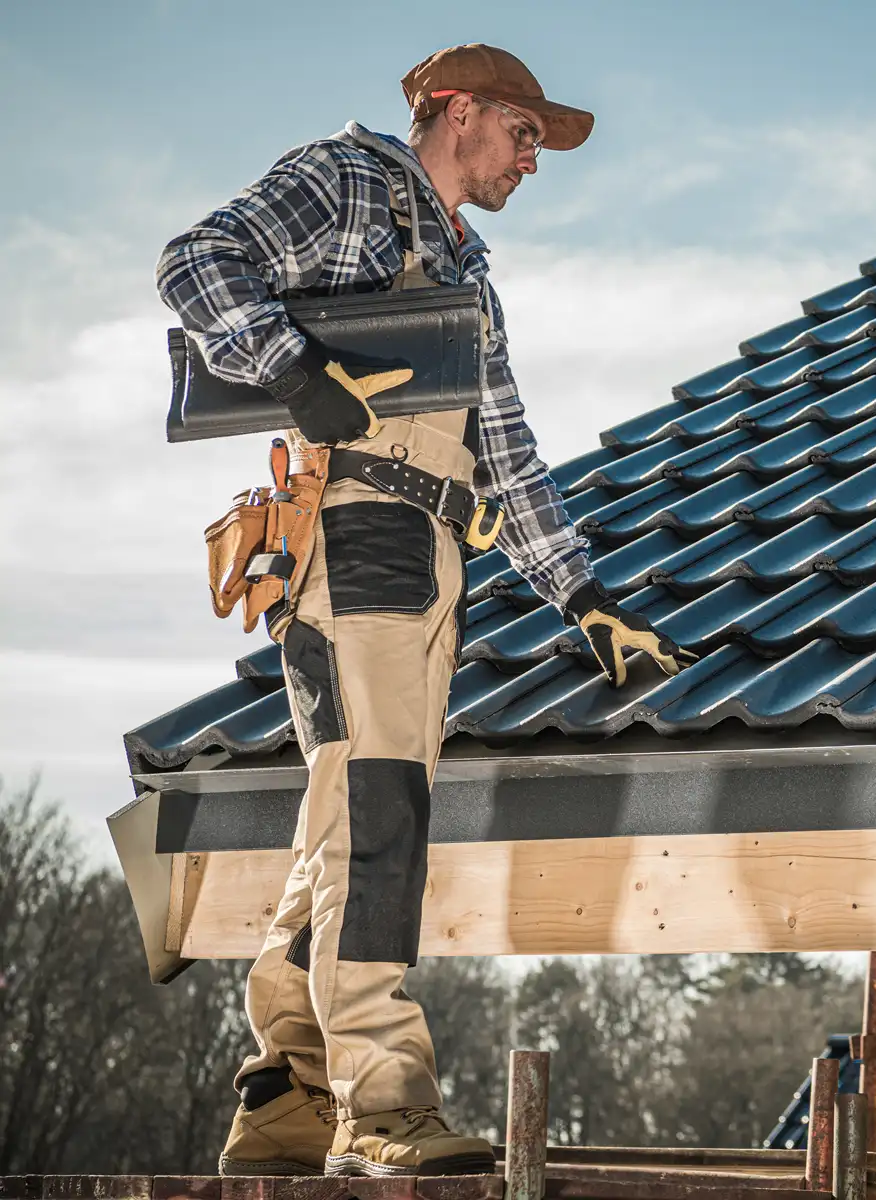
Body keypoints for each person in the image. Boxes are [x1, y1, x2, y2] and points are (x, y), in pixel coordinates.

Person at [156, 43, 695, 1180]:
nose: (533, 160)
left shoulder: (467, 273)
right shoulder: (350, 182)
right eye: (523, 133)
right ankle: (383, 1104)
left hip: (428, 551)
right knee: (383, 812)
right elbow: (196, 263)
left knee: (344, 819)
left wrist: (585, 597)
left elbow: (508, 450)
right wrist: (294, 372)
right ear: (455, 112)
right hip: (359, 537)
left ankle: (287, 1094)